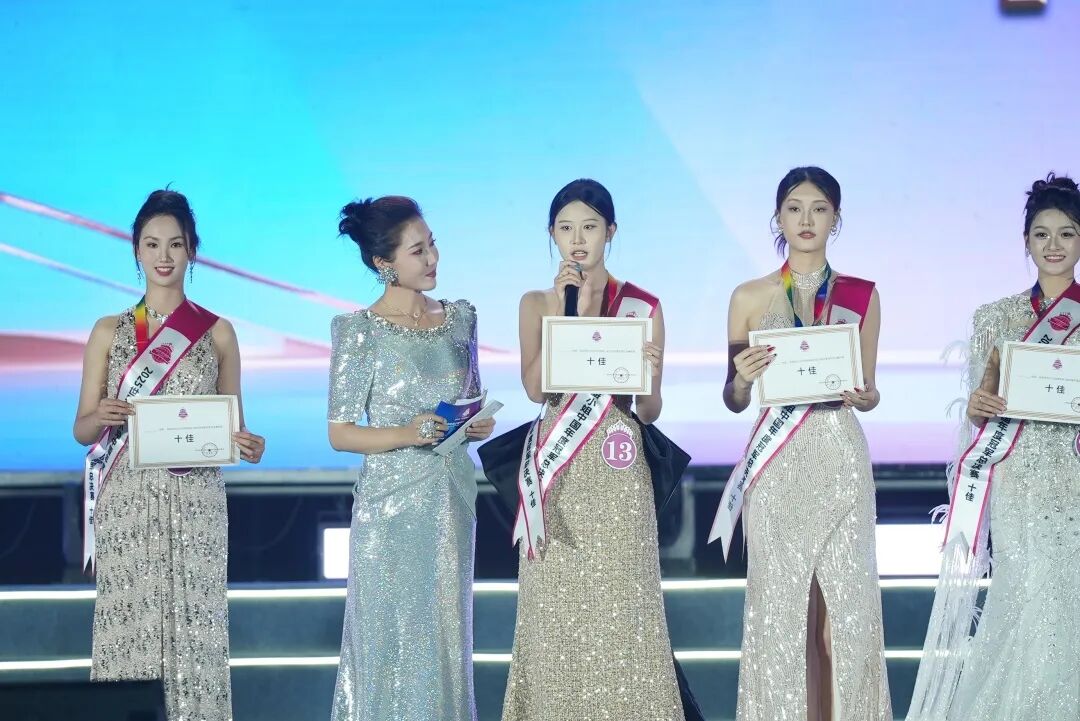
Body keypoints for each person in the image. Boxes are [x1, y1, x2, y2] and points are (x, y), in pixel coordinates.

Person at [75, 189, 265, 721]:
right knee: (130, 627)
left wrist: (248, 444)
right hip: (127, 498)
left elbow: (233, 425)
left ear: (191, 251)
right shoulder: (108, 331)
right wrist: (102, 414)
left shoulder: (218, 333)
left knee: (196, 628)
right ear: (136, 250)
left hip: (196, 499)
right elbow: (82, 427)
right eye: (152, 244)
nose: (163, 256)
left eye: (175, 244)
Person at [710, 167, 891, 720]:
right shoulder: (748, 296)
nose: (806, 219)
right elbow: (734, 397)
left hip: (839, 456)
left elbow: (868, 389)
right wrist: (742, 380)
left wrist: (867, 397)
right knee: (781, 611)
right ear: (778, 218)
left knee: (848, 613)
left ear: (836, 218)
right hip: (778, 462)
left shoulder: (862, 295)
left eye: (819, 208)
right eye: (794, 208)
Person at [501, 179, 684, 721]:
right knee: (556, 614)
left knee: (626, 612)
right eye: (565, 228)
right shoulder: (537, 303)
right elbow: (537, 390)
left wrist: (650, 374)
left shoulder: (642, 306)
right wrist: (567, 314)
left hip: (618, 468)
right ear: (551, 235)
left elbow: (649, 410)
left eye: (589, 227)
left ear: (611, 232)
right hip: (558, 471)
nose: (577, 239)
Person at [907, 174, 1080, 721]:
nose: (1054, 245)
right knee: (1021, 594)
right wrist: (978, 405)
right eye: (1042, 234)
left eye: (1067, 233)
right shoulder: (995, 317)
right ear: (1026, 242)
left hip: (1074, 478)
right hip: (1018, 478)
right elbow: (981, 401)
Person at [327, 195, 494, 721]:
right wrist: (406, 432)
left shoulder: (461, 319)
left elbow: (469, 400)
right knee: (390, 639)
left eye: (432, 245)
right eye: (418, 251)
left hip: (451, 501)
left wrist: (475, 425)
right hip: (391, 510)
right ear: (384, 262)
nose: (432, 258)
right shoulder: (359, 331)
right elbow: (340, 433)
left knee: (445, 635)